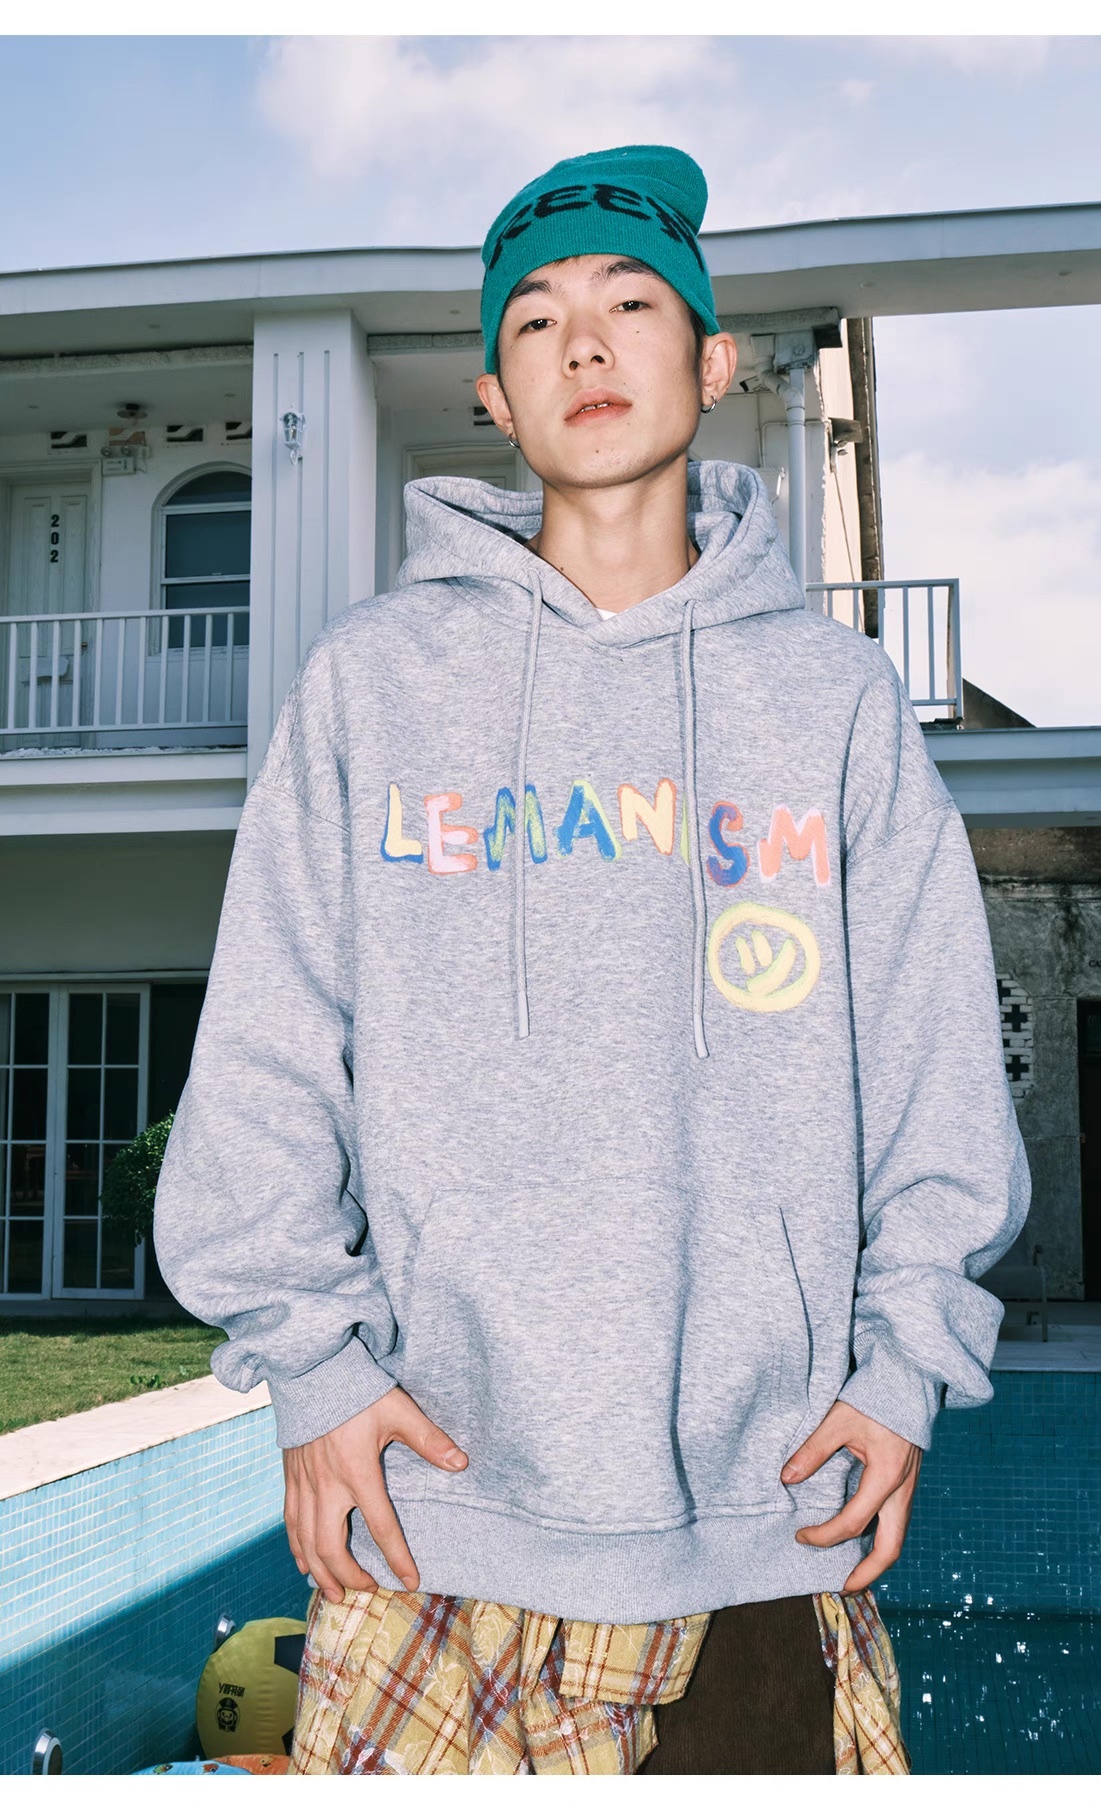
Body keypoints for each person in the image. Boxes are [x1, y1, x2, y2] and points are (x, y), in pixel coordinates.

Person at [154, 143, 1031, 1775]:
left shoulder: (833, 703)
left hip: (761, 1522)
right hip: (433, 1517)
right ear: (495, 394)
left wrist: (908, 1359)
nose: (584, 344)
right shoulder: (372, 686)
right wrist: (312, 1369)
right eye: (537, 318)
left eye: (632, 306)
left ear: (712, 360)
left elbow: (935, 1080)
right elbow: (267, 1057)